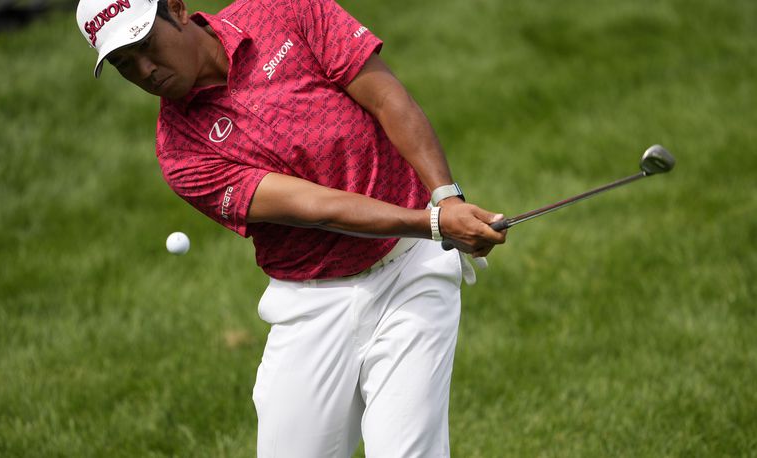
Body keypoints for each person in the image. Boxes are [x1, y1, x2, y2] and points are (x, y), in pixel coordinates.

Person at [76, 0, 507, 455]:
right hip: (312, 304)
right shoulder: (182, 153)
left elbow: (386, 96)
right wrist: (436, 223)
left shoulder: (283, 11)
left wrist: (446, 197)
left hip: (410, 271)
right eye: (125, 64)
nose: (145, 70)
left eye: (146, 44)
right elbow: (315, 207)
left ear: (178, 10)